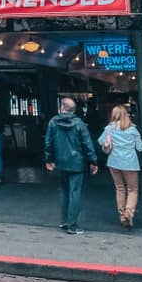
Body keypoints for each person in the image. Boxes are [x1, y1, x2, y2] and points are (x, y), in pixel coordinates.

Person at [44, 97, 98, 236]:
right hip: (77, 162)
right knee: (75, 192)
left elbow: (48, 142)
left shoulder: (53, 122)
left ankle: (64, 221)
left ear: (62, 107)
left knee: (63, 190)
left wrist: (49, 159)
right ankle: (72, 225)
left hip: (61, 162)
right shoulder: (79, 123)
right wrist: (93, 161)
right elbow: (87, 143)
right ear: (73, 110)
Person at [98, 105, 142, 229]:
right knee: (132, 190)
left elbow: (100, 141)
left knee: (120, 189)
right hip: (130, 163)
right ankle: (129, 213)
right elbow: (140, 147)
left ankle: (122, 215)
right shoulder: (133, 130)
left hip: (114, 162)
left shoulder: (109, 128)